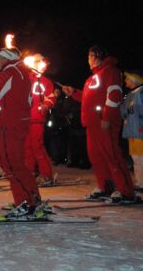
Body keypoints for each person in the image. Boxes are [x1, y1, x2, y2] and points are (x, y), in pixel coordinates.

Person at [62, 45, 135, 202]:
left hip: (104, 122)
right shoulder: (92, 78)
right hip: (92, 123)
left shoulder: (111, 72)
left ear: (96, 56)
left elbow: (114, 95)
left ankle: (126, 191)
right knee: (96, 157)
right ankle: (105, 187)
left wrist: (106, 118)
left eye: (89, 56)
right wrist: (74, 92)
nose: (88, 60)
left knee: (111, 155)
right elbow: (89, 99)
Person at [0, 48, 43, 220]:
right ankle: (33, 199)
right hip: (21, 122)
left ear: (6, 58)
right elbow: (29, 100)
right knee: (19, 163)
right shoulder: (23, 73)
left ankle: (25, 203)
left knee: (12, 165)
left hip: (10, 124)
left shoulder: (9, 72)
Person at [24, 54, 57, 183]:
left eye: (38, 62)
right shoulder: (25, 79)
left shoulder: (46, 82)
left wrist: (46, 105)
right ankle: (30, 171)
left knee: (37, 146)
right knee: (27, 147)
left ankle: (46, 174)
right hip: (25, 118)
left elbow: (52, 98)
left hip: (37, 118)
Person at [120, 69, 143, 192]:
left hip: (139, 131)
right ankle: (140, 182)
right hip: (132, 131)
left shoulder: (141, 93)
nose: (125, 81)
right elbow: (123, 112)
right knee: (136, 158)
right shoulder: (130, 95)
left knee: (140, 157)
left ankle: (141, 182)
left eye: (127, 79)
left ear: (134, 80)